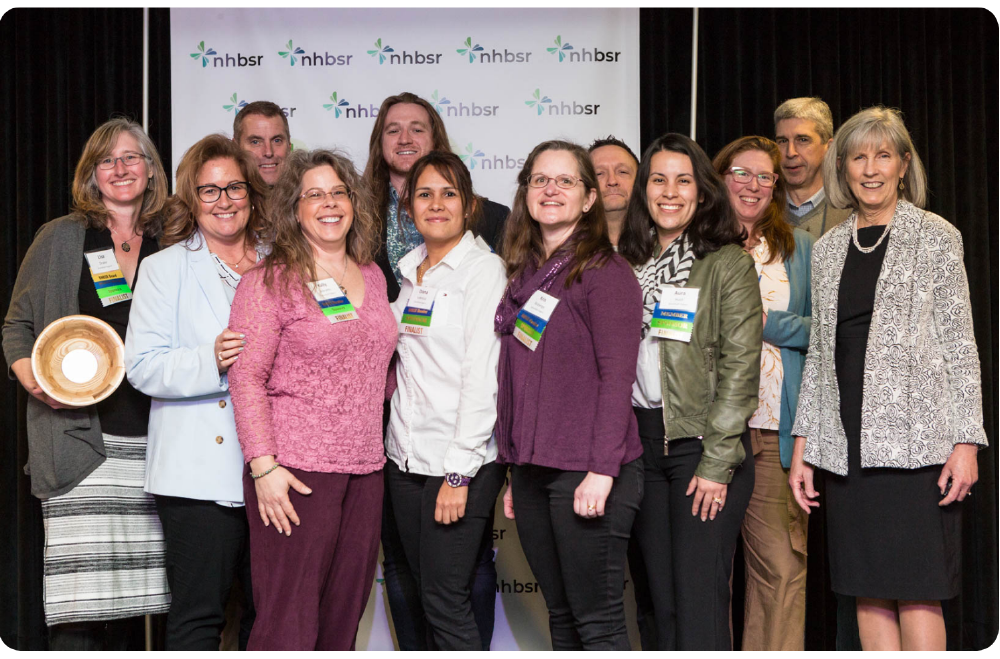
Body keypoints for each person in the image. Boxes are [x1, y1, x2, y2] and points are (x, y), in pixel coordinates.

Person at [789, 106, 986, 651]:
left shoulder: (936, 236)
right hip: (847, 451)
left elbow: (960, 347)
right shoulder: (827, 250)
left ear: (903, 164)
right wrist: (805, 446)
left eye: (883, 155)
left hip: (919, 448)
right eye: (858, 156)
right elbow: (821, 358)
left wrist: (966, 442)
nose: (870, 168)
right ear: (843, 167)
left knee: (919, 591)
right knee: (867, 591)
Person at [2, 118, 170, 649]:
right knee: (79, 607)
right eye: (108, 160)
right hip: (81, 445)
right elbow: (17, 326)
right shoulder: (61, 237)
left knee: (144, 605)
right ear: (92, 174)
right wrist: (36, 381)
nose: (121, 169)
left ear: (150, 168)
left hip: (160, 447)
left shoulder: (177, 239)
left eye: (131, 157)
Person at [227, 149, 397, 650]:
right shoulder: (267, 282)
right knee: (288, 626)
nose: (329, 203)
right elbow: (247, 379)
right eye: (314, 194)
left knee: (342, 619)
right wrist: (263, 468)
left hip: (366, 470)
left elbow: (375, 366)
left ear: (355, 203)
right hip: (296, 473)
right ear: (294, 209)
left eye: (338, 192)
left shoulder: (371, 275)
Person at [362, 91, 506, 649]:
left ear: (469, 206)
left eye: (449, 193)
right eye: (424, 195)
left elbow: (483, 377)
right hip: (403, 457)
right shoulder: (408, 272)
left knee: (446, 598)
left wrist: (458, 472)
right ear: (409, 207)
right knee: (419, 591)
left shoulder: (483, 270)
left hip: (456, 460)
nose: (436, 203)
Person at [496, 140, 644, 650]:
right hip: (536, 473)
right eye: (540, 180)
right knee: (560, 613)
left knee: (597, 620)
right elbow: (521, 380)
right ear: (526, 194)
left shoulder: (605, 272)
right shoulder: (523, 277)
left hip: (589, 469)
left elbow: (617, 377)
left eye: (565, 181)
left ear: (588, 199)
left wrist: (602, 471)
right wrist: (516, 470)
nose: (551, 190)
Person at [617, 133, 762, 650]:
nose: (670, 191)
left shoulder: (726, 263)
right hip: (641, 447)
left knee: (698, 600)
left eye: (684, 180)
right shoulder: (624, 266)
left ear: (702, 192)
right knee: (659, 601)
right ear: (644, 191)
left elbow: (742, 368)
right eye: (659, 179)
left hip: (702, 445)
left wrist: (717, 460)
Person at [125, 134, 268, 650]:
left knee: (269, 614)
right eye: (209, 191)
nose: (224, 200)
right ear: (191, 199)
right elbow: (141, 366)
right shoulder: (164, 269)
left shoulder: (285, 264)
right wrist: (210, 359)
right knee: (198, 617)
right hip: (197, 477)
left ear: (252, 193)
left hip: (275, 470)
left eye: (233, 187)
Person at [712, 136, 815, 650]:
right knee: (708, 573)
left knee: (780, 568)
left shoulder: (797, 248)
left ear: (777, 187)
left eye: (765, 176)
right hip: (711, 433)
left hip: (777, 427)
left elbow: (823, 331)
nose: (752, 185)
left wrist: (763, 321)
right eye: (741, 172)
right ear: (720, 177)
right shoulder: (697, 243)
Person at [774, 97, 851, 238]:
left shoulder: (853, 210)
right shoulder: (761, 207)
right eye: (783, 141)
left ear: (828, 147)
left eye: (803, 140)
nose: (790, 152)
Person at [588, 136, 639, 247]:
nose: (612, 181)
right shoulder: (568, 249)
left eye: (622, 172)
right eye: (599, 174)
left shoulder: (662, 244)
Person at [233, 101, 291, 186]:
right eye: (255, 142)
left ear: (289, 146)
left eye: (277, 141)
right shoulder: (221, 197)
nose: (268, 152)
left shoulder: (309, 195)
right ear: (235, 148)